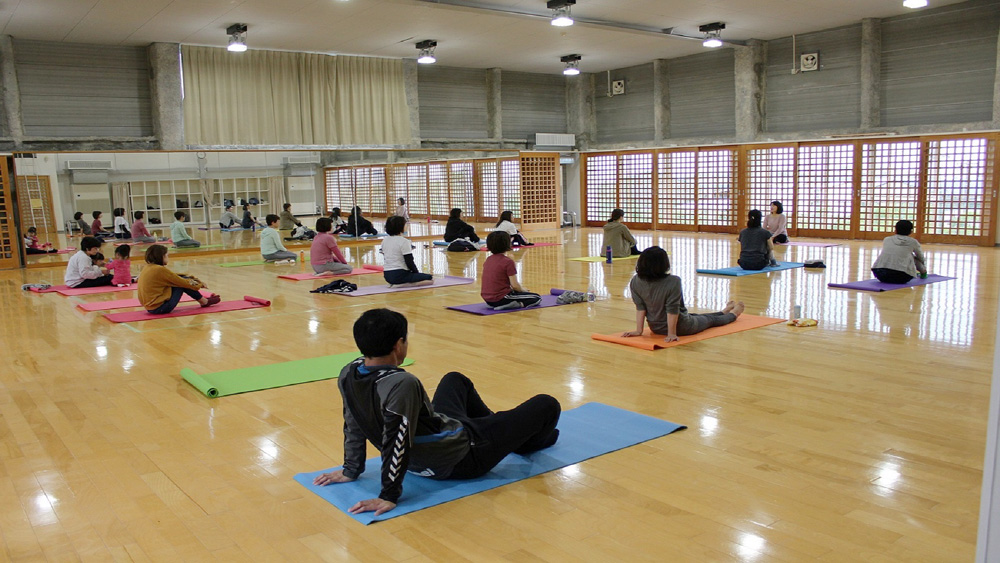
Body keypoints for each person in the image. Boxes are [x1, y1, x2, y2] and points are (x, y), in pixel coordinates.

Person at [312, 308, 561, 516]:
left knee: (455, 379)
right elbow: (396, 440)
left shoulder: (349, 372)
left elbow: (352, 423)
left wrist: (350, 469)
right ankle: (521, 443)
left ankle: (497, 429)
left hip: (443, 434)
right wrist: (388, 495)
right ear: (399, 345)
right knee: (547, 404)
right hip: (463, 456)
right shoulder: (401, 383)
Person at [622, 246, 744, 342]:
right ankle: (734, 313)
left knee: (696, 315)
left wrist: (639, 331)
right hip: (683, 327)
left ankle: (723, 312)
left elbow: (640, 308)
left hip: (656, 328)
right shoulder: (673, 281)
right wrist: (672, 334)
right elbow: (672, 310)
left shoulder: (635, 281)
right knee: (710, 320)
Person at [138, 244, 221, 314]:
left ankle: (203, 300)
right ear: (161, 256)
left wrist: (195, 280)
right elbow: (181, 281)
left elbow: (174, 276)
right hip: (159, 308)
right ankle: (204, 301)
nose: (168, 258)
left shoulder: (149, 267)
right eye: (167, 255)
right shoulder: (159, 269)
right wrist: (199, 284)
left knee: (181, 280)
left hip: (150, 307)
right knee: (181, 284)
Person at [481, 231, 541, 310]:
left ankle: (495, 305)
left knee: (519, 294)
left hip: (487, 299)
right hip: (502, 298)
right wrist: (523, 290)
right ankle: (514, 305)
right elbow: (515, 286)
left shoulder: (488, 259)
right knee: (537, 297)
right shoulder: (508, 262)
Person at [871, 220, 928, 284]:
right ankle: (923, 273)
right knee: (912, 257)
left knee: (902, 254)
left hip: (880, 274)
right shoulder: (913, 242)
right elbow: (920, 257)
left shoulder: (887, 239)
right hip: (902, 277)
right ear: (911, 231)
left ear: (895, 230)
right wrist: (922, 266)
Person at [381, 215, 431, 287]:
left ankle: (397, 283)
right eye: (405, 224)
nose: (406, 226)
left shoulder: (384, 240)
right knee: (430, 278)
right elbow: (409, 261)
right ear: (400, 226)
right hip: (400, 274)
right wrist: (416, 273)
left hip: (387, 275)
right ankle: (403, 285)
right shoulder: (404, 241)